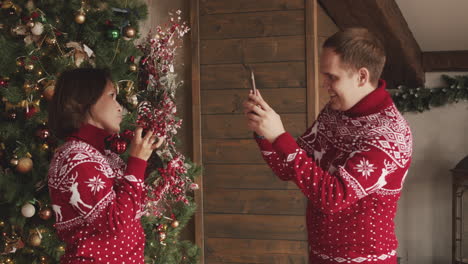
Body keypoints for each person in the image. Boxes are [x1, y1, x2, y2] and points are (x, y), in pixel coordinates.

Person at [243, 28, 412, 264]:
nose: (325, 84)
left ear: (362, 77)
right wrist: (265, 133)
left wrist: (279, 136)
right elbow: (288, 167)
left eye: (332, 77)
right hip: (320, 255)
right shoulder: (334, 113)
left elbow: (334, 197)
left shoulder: (390, 135)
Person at [48, 68, 163, 263]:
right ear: (84, 100)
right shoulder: (75, 158)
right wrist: (137, 162)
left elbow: (133, 208)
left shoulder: (103, 155)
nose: (120, 107)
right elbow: (116, 223)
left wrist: (146, 158)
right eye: (112, 96)